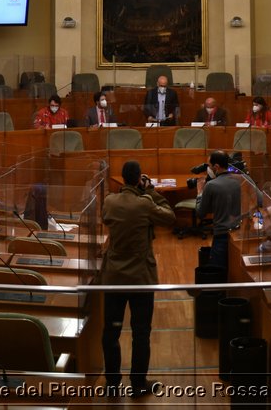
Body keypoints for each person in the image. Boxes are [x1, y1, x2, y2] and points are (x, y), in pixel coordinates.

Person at [99, 160, 174, 397]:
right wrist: (150, 190)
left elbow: (106, 219)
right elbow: (170, 217)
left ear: (122, 179)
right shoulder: (145, 204)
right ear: (138, 178)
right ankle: (138, 383)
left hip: (114, 277)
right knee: (141, 332)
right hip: (141, 277)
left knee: (111, 332)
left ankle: (112, 385)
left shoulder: (109, 201)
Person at [201, 150, 243, 268]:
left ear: (216, 167)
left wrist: (200, 192)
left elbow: (201, 213)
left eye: (209, 166)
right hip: (240, 234)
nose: (208, 169)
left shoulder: (211, 185)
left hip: (221, 236)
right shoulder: (241, 180)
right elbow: (260, 199)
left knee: (218, 272)